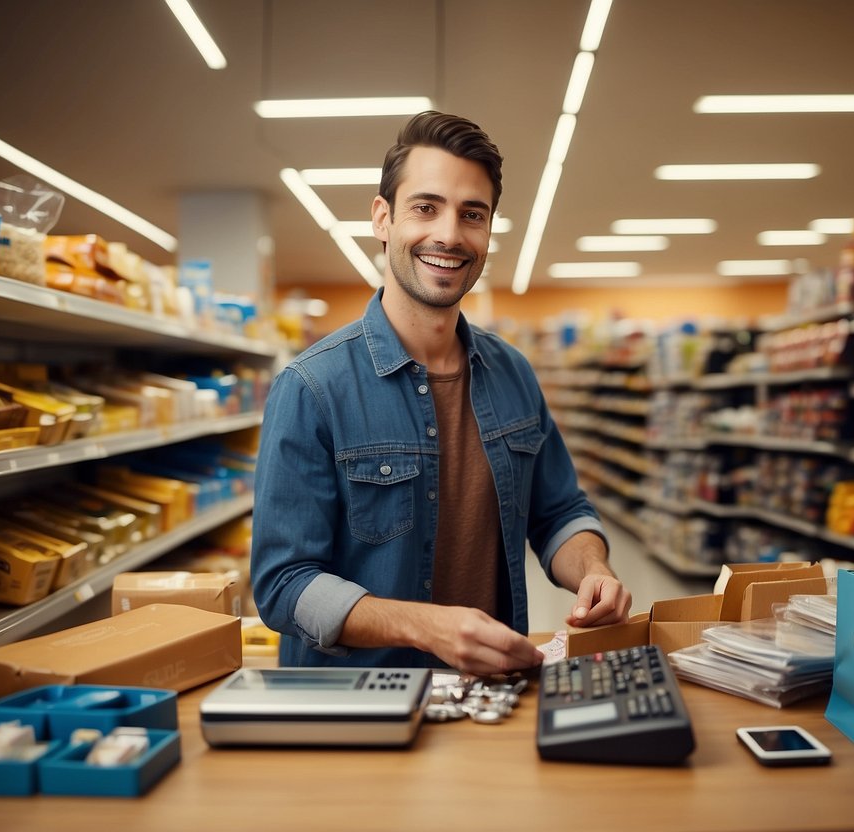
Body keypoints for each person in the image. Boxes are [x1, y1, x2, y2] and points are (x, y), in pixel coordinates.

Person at [251, 110, 632, 674]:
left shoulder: (514, 374)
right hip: (360, 714)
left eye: (471, 215)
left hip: (489, 697)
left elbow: (559, 512)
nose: (449, 235)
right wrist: (422, 625)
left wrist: (593, 568)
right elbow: (283, 584)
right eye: (425, 208)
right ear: (382, 218)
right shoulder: (311, 387)